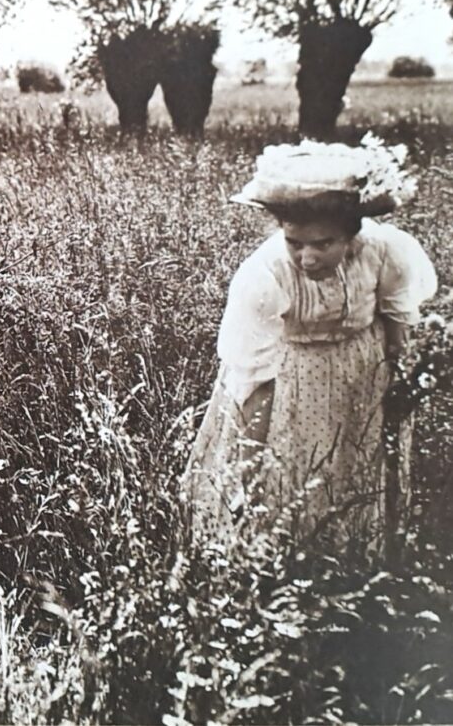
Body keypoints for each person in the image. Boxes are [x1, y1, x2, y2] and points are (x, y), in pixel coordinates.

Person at [185, 135, 438, 554]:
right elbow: (257, 383)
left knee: (355, 466)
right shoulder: (262, 278)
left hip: (362, 373)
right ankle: (281, 559)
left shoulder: (384, 250)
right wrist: (250, 464)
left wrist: (397, 390)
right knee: (293, 475)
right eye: (295, 242)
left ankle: (358, 555)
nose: (307, 258)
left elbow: (398, 326)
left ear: (351, 234)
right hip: (291, 381)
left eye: (323, 244)